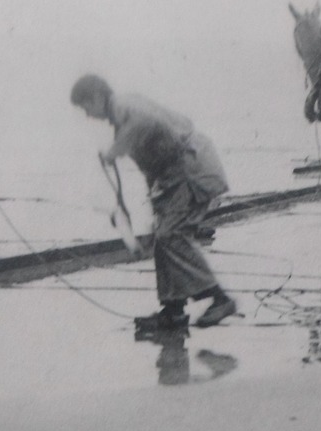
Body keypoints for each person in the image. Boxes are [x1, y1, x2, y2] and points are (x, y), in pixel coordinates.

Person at [70, 75, 237, 331]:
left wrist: (115, 151)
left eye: (85, 107)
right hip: (176, 175)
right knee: (163, 238)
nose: (87, 115)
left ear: (96, 97)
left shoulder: (124, 106)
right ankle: (173, 311)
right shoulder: (121, 114)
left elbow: (146, 122)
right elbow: (153, 160)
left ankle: (219, 298)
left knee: (172, 235)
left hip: (192, 169)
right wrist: (155, 207)